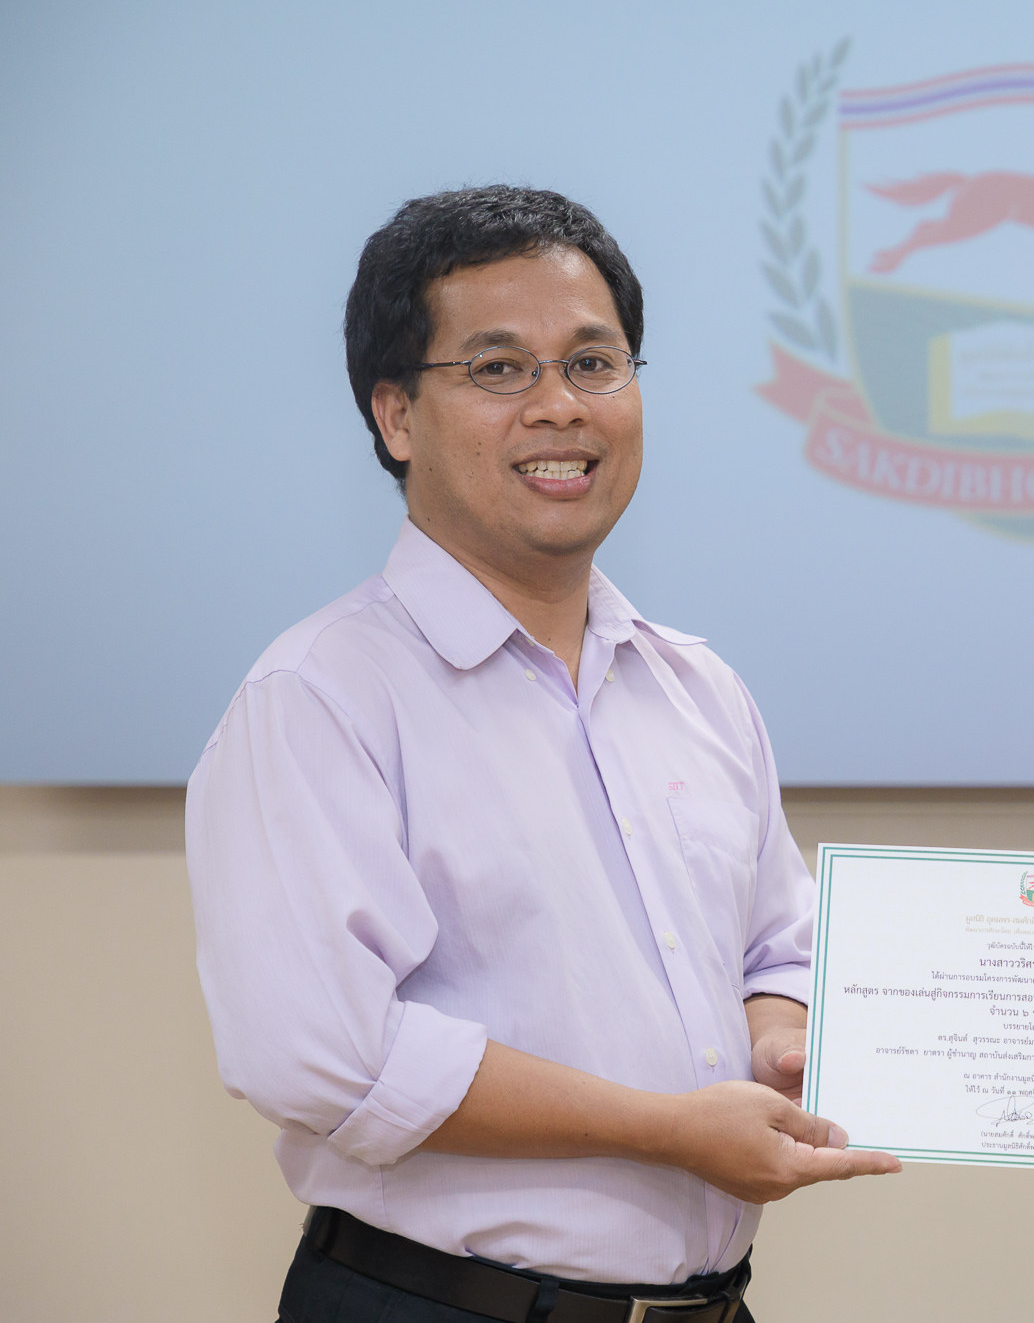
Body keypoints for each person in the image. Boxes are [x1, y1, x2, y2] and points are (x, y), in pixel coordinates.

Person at [186, 186, 899, 1323]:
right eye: (498, 368)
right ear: (396, 417)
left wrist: (777, 1038)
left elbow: (780, 945)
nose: (559, 407)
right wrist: (668, 1128)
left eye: (593, 363)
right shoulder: (319, 697)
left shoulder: (695, 685)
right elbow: (325, 1055)